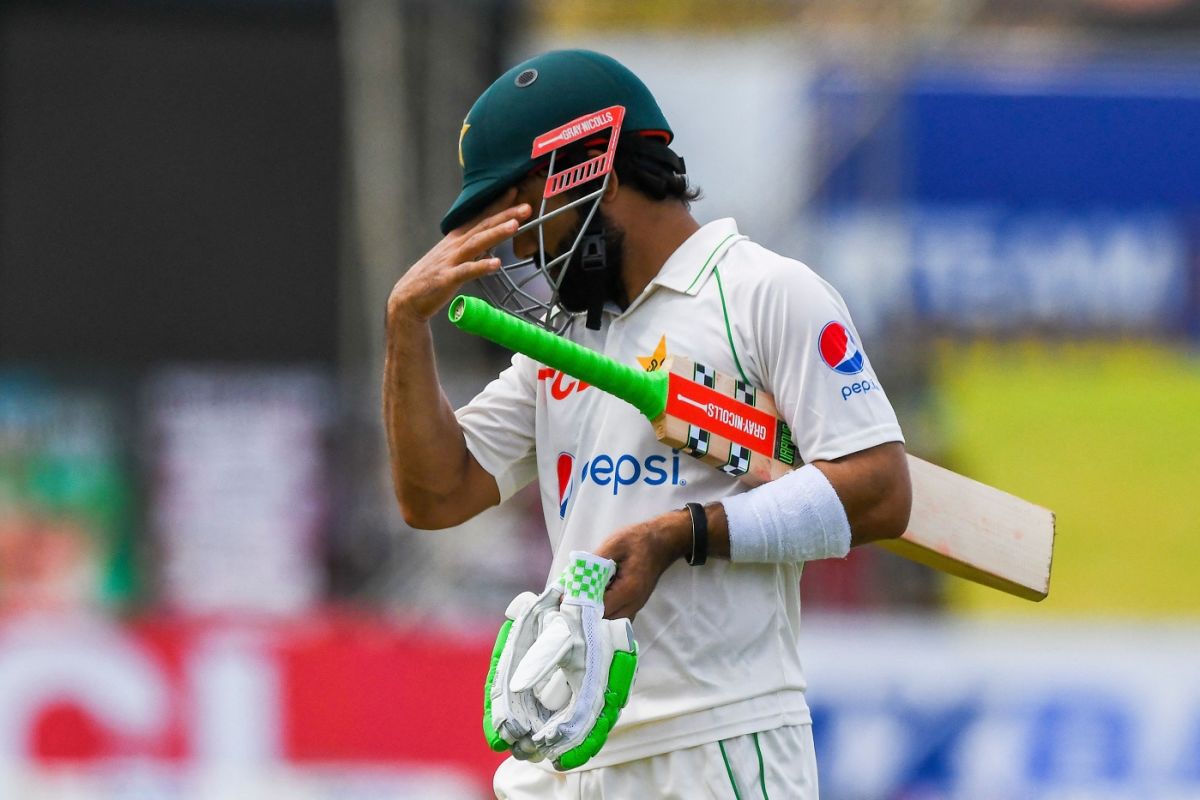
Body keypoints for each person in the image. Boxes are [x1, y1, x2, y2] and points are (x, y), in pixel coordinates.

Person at [384, 49, 911, 799]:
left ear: (587, 165)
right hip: (567, 751)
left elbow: (882, 492)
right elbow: (436, 497)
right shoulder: (565, 339)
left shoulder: (764, 293)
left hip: (717, 743)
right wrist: (405, 328)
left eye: (521, 205)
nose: (518, 242)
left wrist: (681, 535)